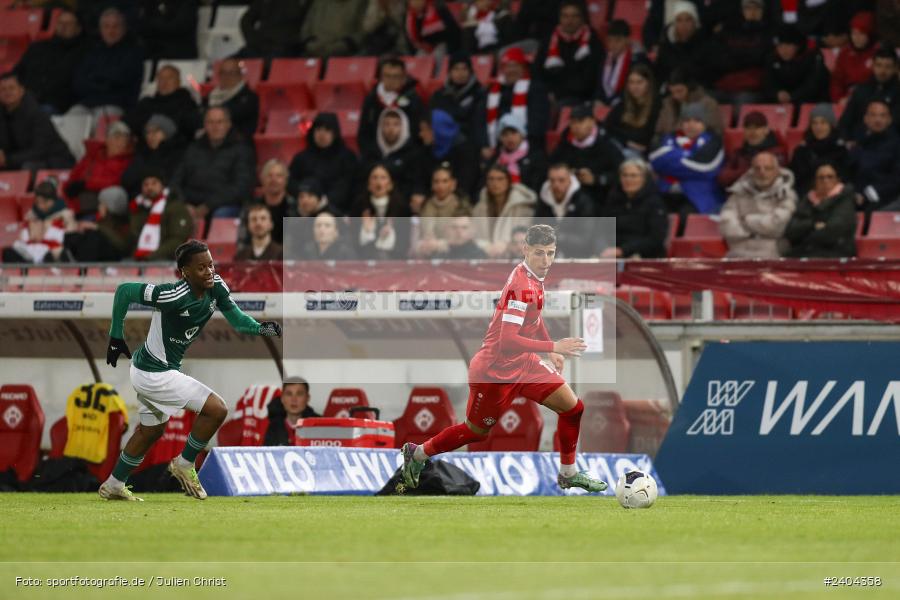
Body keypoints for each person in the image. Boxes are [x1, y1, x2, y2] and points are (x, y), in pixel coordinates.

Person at [399, 224, 607, 494]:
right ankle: (417, 455)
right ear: (525, 250)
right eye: (539, 254)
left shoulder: (534, 277)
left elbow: (534, 318)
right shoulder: (520, 285)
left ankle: (568, 474)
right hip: (494, 372)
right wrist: (553, 344)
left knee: (573, 408)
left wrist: (549, 350)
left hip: (525, 364)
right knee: (476, 431)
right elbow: (507, 341)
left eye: (551, 253)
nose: (546, 261)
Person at [100, 240, 283, 501]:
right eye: (201, 268)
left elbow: (238, 320)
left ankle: (113, 484)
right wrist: (116, 337)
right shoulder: (172, 295)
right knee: (217, 409)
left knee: (150, 431)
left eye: (210, 264)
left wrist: (261, 328)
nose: (209, 271)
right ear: (185, 272)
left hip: (148, 370)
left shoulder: (216, 286)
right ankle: (185, 463)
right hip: (154, 373)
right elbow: (124, 291)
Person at [169, 107, 255, 224]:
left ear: (228, 124)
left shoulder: (241, 150)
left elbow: (241, 187)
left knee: (221, 214)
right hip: (190, 205)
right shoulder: (193, 149)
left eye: (219, 122)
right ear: (204, 125)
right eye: (210, 122)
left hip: (223, 206)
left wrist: (208, 205)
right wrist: (184, 204)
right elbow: (175, 181)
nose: (215, 127)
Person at [650, 102, 725, 214]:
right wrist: (688, 156)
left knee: (686, 217)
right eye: (687, 121)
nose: (691, 125)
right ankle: (612, 231)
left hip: (698, 196)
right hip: (665, 192)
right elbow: (656, 161)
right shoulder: (668, 138)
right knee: (651, 214)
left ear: (704, 124)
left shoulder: (713, 141)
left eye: (697, 121)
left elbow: (706, 169)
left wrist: (672, 160)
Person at [719, 152, 798, 258]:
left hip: (772, 254)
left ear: (777, 171)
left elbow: (776, 226)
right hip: (738, 252)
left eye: (767, 168)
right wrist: (757, 231)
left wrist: (746, 220)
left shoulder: (787, 195)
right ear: (751, 171)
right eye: (757, 168)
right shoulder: (738, 192)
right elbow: (726, 225)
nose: (762, 172)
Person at [70, 8, 144, 119]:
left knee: (102, 123)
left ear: (124, 28)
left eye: (116, 26)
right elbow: (78, 82)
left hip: (117, 105)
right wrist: (102, 82)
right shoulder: (93, 52)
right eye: (106, 26)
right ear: (100, 29)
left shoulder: (133, 52)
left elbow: (119, 79)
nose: (111, 31)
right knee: (69, 120)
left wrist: (93, 79)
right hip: (87, 103)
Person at [12, 8, 87, 114]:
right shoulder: (37, 47)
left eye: (69, 23)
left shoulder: (83, 53)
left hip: (56, 105)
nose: (63, 26)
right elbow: (17, 72)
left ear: (78, 28)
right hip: (25, 100)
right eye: (60, 23)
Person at [0, 72, 74, 171]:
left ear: (21, 90)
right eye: (3, 89)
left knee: (27, 167)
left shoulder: (37, 115)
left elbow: (39, 151)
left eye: (11, 88)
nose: (7, 92)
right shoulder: (2, 116)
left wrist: (8, 160)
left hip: (55, 161)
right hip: (20, 160)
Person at [597, 158, 668, 259]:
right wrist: (603, 248)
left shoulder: (655, 203)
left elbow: (655, 239)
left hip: (644, 256)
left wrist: (623, 250)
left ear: (644, 178)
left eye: (633, 176)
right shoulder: (613, 199)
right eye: (624, 175)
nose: (628, 180)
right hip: (612, 253)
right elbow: (602, 230)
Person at [288, 112, 358, 215]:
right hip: (305, 210)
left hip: (338, 210)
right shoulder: (301, 158)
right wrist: (306, 199)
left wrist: (324, 202)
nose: (322, 134)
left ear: (334, 133)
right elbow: (292, 182)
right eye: (318, 129)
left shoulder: (347, 157)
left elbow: (347, 185)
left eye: (327, 130)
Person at [484, 47, 550, 153]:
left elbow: (539, 122)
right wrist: (485, 144)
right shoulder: (491, 91)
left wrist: (517, 141)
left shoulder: (536, 89)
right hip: (496, 145)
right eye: (507, 66)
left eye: (515, 65)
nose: (511, 70)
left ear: (523, 67)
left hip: (528, 146)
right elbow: (480, 119)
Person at [550, 103, 623, 200]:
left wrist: (596, 179)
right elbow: (551, 165)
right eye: (572, 122)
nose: (576, 126)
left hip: (599, 197)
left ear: (592, 122)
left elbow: (621, 174)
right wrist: (569, 174)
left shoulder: (607, 145)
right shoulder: (565, 143)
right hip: (567, 194)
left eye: (580, 121)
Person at [535, 0, 602, 106]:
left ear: (582, 18)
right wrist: (547, 92)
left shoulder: (592, 41)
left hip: (578, 97)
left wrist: (557, 93)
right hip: (548, 94)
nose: (569, 21)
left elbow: (589, 80)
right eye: (565, 16)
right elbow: (537, 71)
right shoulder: (550, 39)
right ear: (559, 18)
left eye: (574, 16)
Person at [783, 161, 856, 258]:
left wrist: (804, 236)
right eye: (821, 177)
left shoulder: (845, 200)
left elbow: (832, 232)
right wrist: (814, 224)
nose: (825, 180)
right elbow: (791, 231)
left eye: (830, 177)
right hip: (804, 252)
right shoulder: (807, 200)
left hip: (836, 254)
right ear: (814, 181)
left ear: (838, 180)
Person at [705, 0, 772, 104]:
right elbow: (717, 58)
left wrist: (737, 57)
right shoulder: (729, 30)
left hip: (753, 87)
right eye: (748, 8)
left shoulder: (770, 32)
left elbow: (761, 58)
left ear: (763, 10)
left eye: (757, 8)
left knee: (743, 101)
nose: (752, 12)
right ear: (742, 10)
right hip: (726, 83)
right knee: (706, 99)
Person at [63, 120, 133, 218]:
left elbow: (117, 182)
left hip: (100, 208)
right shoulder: (92, 156)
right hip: (76, 205)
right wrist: (69, 188)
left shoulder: (128, 161)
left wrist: (87, 184)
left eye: (124, 138)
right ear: (107, 139)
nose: (121, 142)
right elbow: (73, 177)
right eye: (117, 137)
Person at [358, 57, 425, 158]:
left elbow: (417, 132)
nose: (391, 80)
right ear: (381, 77)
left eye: (396, 76)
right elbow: (364, 132)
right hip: (375, 156)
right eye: (387, 76)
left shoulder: (413, 98)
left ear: (404, 78)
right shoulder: (371, 99)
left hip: (406, 156)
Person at [2, 181, 75, 263]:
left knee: (56, 254)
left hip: (52, 253)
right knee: (8, 253)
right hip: (30, 253)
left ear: (52, 201)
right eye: (38, 202)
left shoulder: (66, 215)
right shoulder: (32, 215)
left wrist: (52, 220)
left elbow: (70, 239)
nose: (40, 206)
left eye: (44, 202)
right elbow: (29, 238)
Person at [471, 165, 535, 258]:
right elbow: (473, 235)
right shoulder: (479, 208)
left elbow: (525, 234)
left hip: (514, 257)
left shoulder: (522, 206)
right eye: (491, 179)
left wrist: (506, 245)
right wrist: (485, 246)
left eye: (500, 179)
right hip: (485, 256)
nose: (495, 183)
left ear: (509, 182)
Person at [361, 108, 424, 202]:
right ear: (380, 127)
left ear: (404, 127)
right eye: (387, 124)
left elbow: (415, 184)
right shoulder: (370, 152)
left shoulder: (413, 153)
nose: (391, 128)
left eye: (396, 124)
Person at [124, 65, 201, 142]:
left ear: (178, 81)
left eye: (169, 78)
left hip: (176, 148)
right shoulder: (146, 103)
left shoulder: (187, 103)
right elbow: (129, 122)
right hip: (144, 147)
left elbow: (189, 127)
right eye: (161, 78)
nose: (164, 81)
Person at [130, 170, 194, 262]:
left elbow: (177, 240)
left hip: (165, 259)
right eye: (146, 184)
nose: (149, 187)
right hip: (138, 259)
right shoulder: (140, 209)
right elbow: (132, 238)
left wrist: (150, 257)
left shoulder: (176, 207)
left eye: (154, 183)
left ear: (162, 185)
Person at [535, 163, 597, 258]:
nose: (556, 185)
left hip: (578, 257)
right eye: (552, 180)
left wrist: (557, 237)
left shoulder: (583, 201)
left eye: (561, 180)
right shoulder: (543, 202)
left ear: (570, 181)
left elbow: (586, 240)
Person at [847, 100, 900, 210]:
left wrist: (868, 194)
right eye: (873, 115)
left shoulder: (896, 144)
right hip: (856, 197)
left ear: (889, 120)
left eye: (882, 115)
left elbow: (896, 178)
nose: (878, 119)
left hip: (886, 198)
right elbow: (848, 172)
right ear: (865, 119)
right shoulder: (859, 144)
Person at [429, 51, 488, 150]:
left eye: (464, 69)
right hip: (443, 142)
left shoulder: (479, 93)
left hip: (469, 143)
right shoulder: (439, 95)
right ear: (450, 72)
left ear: (470, 71)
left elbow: (478, 124)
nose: (460, 73)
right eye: (456, 69)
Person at [838, 49, 900, 141]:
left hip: (890, 147)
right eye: (879, 65)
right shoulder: (861, 90)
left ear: (895, 68)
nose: (883, 71)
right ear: (873, 66)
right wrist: (848, 141)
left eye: (888, 66)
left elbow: (896, 125)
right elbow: (845, 123)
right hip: (858, 144)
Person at [352, 163, 411, 259]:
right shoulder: (359, 206)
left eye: (383, 178)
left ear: (390, 185)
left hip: (394, 260)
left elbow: (404, 242)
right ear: (368, 185)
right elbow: (354, 241)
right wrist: (367, 232)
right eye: (374, 178)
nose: (378, 182)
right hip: (364, 259)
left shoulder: (401, 207)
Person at [120, 114, 186, 198]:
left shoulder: (178, 155)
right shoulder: (143, 154)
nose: (151, 136)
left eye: (156, 131)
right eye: (148, 132)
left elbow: (174, 182)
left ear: (167, 133)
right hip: (141, 199)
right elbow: (127, 180)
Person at [419, 109, 479, 198]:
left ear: (439, 130)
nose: (421, 134)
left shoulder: (465, 152)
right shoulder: (427, 151)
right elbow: (421, 179)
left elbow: (464, 186)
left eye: (425, 130)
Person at [789, 104, 848, 195]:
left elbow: (845, 179)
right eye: (814, 123)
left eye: (823, 122)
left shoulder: (840, 150)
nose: (818, 127)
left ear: (831, 125)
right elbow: (794, 178)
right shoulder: (801, 150)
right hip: (805, 198)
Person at [762, 24, 829, 105]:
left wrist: (792, 96)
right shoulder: (772, 58)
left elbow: (813, 84)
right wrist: (777, 93)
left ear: (797, 46)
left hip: (810, 102)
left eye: (788, 45)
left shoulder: (812, 56)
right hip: (782, 102)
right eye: (780, 46)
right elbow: (768, 82)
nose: (783, 50)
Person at [719, 110, 788, 187]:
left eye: (757, 128)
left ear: (766, 130)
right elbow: (723, 177)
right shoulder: (738, 153)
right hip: (741, 194)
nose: (752, 132)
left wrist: (739, 174)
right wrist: (749, 171)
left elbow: (773, 178)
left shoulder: (777, 152)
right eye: (748, 128)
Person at [604, 64, 662, 157]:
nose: (635, 87)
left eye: (639, 82)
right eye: (631, 82)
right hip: (620, 146)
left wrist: (621, 134)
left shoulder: (657, 105)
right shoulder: (622, 103)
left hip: (642, 154)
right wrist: (627, 142)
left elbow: (644, 137)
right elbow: (607, 127)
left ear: (648, 83)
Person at [416, 164, 472, 257]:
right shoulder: (425, 206)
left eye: (445, 181)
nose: (440, 185)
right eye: (436, 181)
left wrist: (439, 244)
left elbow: (466, 236)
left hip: (456, 253)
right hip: (428, 252)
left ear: (453, 184)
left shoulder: (462, 206)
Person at [65, 186, 131, 262]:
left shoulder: (123, 226)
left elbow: (122, 245)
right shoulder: (104, 223)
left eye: (101, 204)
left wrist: (97, 227)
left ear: (108, 207)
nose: (99, 207)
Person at [655, 68, 723, 141]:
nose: (675, 96)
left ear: (689, 87)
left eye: (679, 91)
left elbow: (715, 131)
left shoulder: (707, 103)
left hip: (697, 144)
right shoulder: (668, 103)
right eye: (672, 92)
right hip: (670, 143)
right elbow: (659, 129)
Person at [653, 1, 712, 86]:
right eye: (679, 20)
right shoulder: (666, 47)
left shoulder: (705, 45)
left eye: (688, 20)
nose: (684, 25)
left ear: (695, 22)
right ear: (674, 23)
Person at [487, 113, 547, 193]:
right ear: (500, 138)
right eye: (505, 134)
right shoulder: (496, 158)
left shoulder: (536, 156)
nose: (510, 138)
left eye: (513, 133)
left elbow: (537, 186)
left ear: (522, 134)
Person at [205, 58, 260, 142]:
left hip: (237, 144)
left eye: (232, 73)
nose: (227, 77)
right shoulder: (210, 96)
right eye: (223, 73)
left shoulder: (249, 98)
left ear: (240, 75)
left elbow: (233, 114)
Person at [594, 19, 645, 110]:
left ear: (628, 40)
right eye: (610, 40)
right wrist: (598, 99)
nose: (613, 45)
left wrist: (615, 102)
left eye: (618, 41)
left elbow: (633, 88)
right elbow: (598, 85)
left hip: (627, 104)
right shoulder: (604, 58)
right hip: (604, 104)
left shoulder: (637, 60)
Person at [246, 159, 297, 246]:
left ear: (286, 180)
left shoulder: (295, 207)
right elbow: (244, 240)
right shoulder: (251, 207)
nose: (274, 180)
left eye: (279, 176)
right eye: (269, 176)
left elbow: (296, 242)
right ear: (262, 179)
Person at [830, 12, 878, 102]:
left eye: (861, 34)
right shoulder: (845, 53)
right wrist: (839, 99)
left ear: (869, 34)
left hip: (872, 100)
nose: (856, 38)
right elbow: (837, 82)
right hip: (847, 100)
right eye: (854, 33)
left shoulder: (878, 52)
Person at [299, 0, 370, 58]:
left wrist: (338, 47)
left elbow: (362, 32)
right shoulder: (318, 2)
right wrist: (310, 45)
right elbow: (307, 27)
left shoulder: (361, 3)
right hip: (312, 56)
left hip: (346, 58)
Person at [264, 377, 321, 447]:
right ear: (282, 398)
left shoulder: (318, 426)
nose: (294, 399)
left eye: (299, 394)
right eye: (289, 394)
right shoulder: (273, 427)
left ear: (307, 398)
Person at [239, 0, 306, 58]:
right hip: (260, 46)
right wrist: (254, 41)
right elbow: (246, 20)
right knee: (231, 62)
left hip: (287, 47)